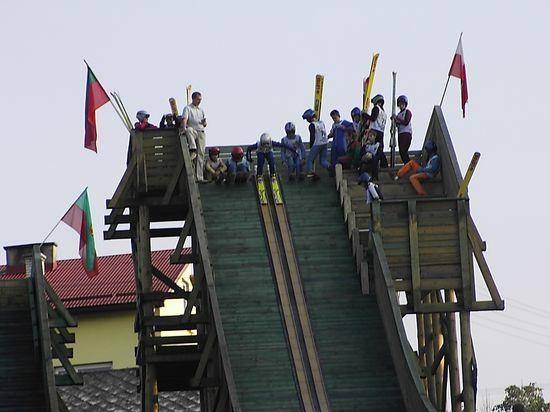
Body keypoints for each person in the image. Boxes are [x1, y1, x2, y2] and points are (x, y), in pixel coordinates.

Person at [181, 91, 207, 182]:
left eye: (200, 99)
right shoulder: (187, 108)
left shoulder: (201, 110)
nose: (200, 101)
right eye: (198, 99)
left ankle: (199, 177)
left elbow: (205, 124)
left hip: (201, 131)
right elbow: (184, 119)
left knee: (201, 154)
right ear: (193, 98)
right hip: (193, 130)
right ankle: (193, 147)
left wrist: (204, 122)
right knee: (188, 130)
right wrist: (183, 128)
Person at [302, 108, 330, 179]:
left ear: (309, 118)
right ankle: (331, 168)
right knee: (323, 160)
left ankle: (311, 173)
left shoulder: (312, 125)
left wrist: (311, 146)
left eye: (307, 119)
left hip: (317, 143)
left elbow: (312, 136)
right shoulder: (321, 122)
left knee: (310, 159)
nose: (307, 120)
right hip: (325, 142)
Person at [363, 94, 388, 168]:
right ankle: (384, 165)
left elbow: (373, 118)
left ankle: (375, 164)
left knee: (372, 148)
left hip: (374, 131)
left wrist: (365, 115)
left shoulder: (376, 108)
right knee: (379, 149)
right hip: (381, 132)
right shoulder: (384, 112)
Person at [391, 95, 413, 164]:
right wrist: (394, 121)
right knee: (401, 151)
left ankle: (410, 164)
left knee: (404, 151)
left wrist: (397, 118)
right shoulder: (398, 114)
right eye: (400, 104)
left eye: (402, 104)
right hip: (400, 134)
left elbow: (406, 122)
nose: (401, 106)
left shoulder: (407, 112)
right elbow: (398, 124)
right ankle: (407, 164)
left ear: (405, 104)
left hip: (406, 133)